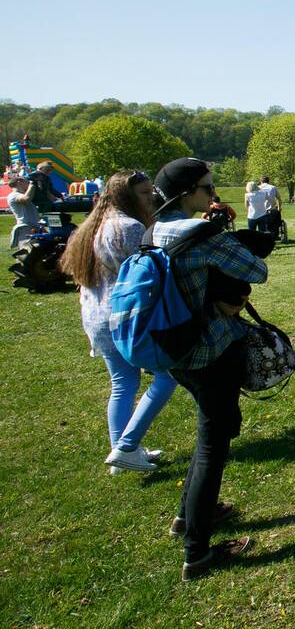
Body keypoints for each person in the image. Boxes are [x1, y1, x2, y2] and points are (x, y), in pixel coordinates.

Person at [152, 158, 268, 581]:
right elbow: (257, 269)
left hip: (171, 349)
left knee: (208, 435)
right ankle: (196, 552)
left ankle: (186, 517)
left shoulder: (151, 231)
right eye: (206, 188)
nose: (212, 195)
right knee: (211, 446)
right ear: (185, 194)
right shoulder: (199, 233)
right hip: (209, 351)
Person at [59, 170, 177, 474]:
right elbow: (151, 270)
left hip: (97, 316)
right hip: (125, 319)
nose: (151, 197)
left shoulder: (92, 226)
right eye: (143, 193)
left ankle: (123, 452)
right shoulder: (130, 227)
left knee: (123, 384)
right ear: (125, 196)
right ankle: (126, 445)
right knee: (167, 376)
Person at [6, 175, 39, 247]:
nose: (28, 183)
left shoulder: (21, 194)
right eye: (27, 182)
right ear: (19, 182)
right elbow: (26, 199)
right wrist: (32, 185)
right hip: (25, 227)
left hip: (33, 226)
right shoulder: (13, 195)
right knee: (26, 253)